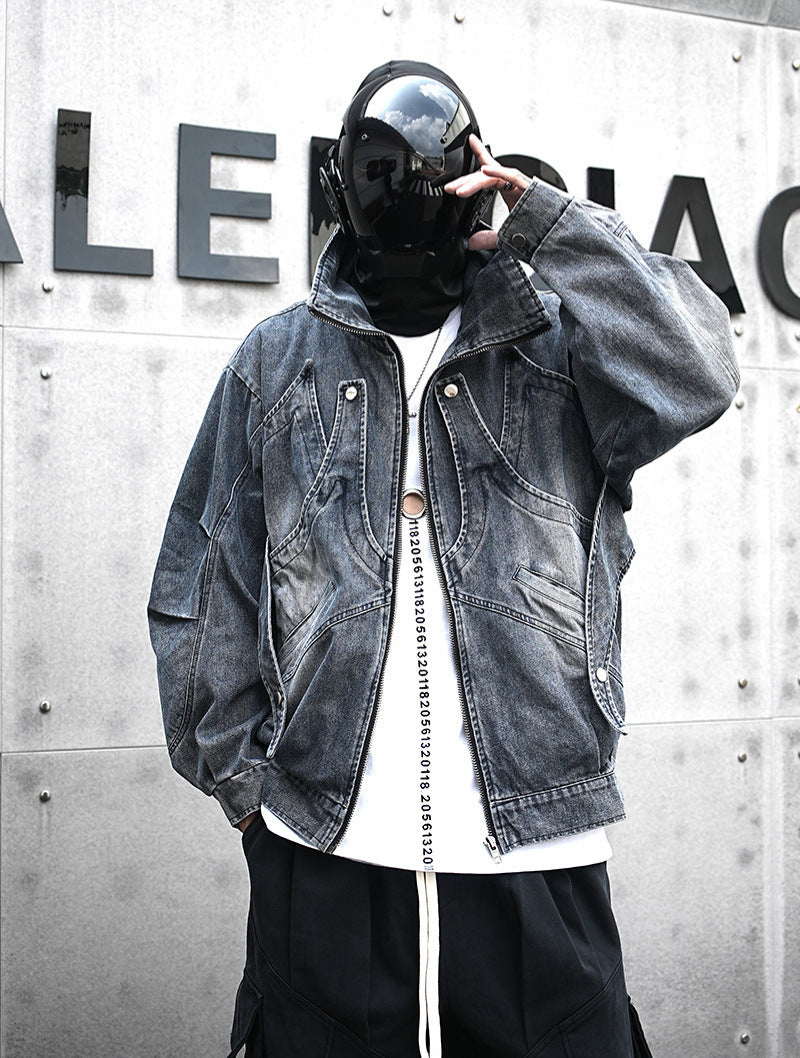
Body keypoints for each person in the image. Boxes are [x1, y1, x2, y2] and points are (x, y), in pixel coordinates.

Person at [148, 61, 738, 1057]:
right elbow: (203, 583)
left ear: (473, 168)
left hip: (536, 858)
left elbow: (697, 370)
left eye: (425, 166)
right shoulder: (274, 360)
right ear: (340, 186)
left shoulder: (560, 351)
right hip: (321, 857)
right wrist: (248, 787)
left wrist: (545, 227)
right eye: (375, 169)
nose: (400, 189)